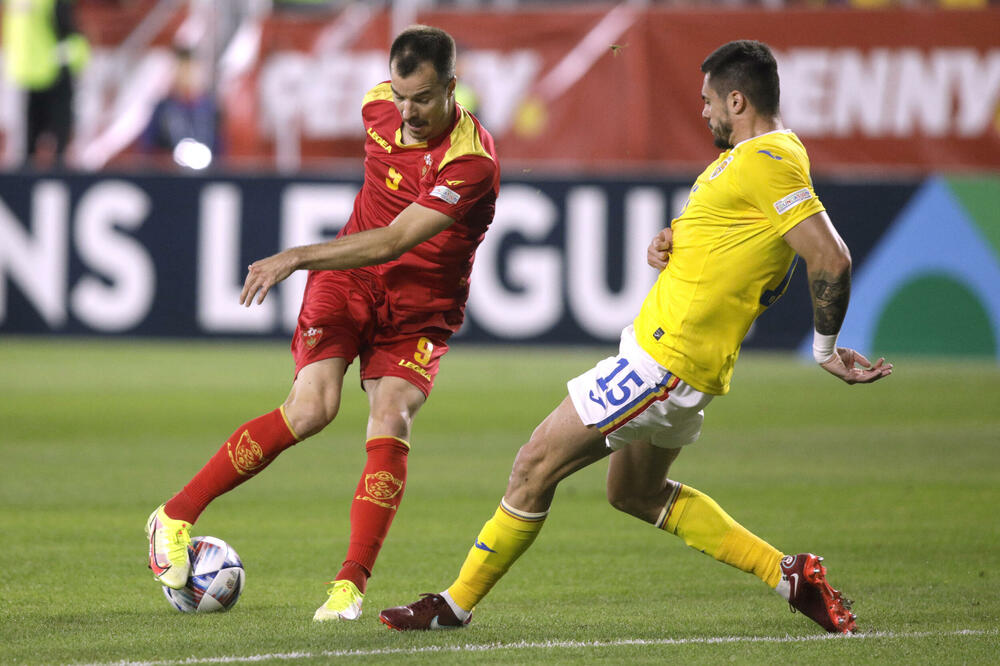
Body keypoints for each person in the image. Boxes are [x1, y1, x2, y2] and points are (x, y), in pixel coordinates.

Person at [379, 40, 892, 635]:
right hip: (679, 363)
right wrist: (672, 241)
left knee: (533, 465)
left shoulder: (767, 160)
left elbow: (830, 257)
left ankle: (454, 604)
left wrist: (825, 349)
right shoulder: (757, 159)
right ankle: (789, 575)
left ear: (737, 100)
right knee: (635, 493)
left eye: (708, 101)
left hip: (663, 363)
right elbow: (740, 241)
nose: (703, 111)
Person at [145, 25, 500, 622]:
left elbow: (393, 240)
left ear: (451, 88)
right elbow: (376, 227)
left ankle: (349, 586)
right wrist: (318, 262)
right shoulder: (376, 107)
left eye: (422, 98)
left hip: (420, 308)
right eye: (400, 95)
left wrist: (295, 256)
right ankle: (173, 516)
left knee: (392, 416)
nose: (408, 112)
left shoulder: (471, 163)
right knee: (312, 408)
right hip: (350, 282)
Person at [2, 0, 90, 166]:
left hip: (35, 72)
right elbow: (69, 30)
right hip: (38, 73)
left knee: (40, 143)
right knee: (30, 143)